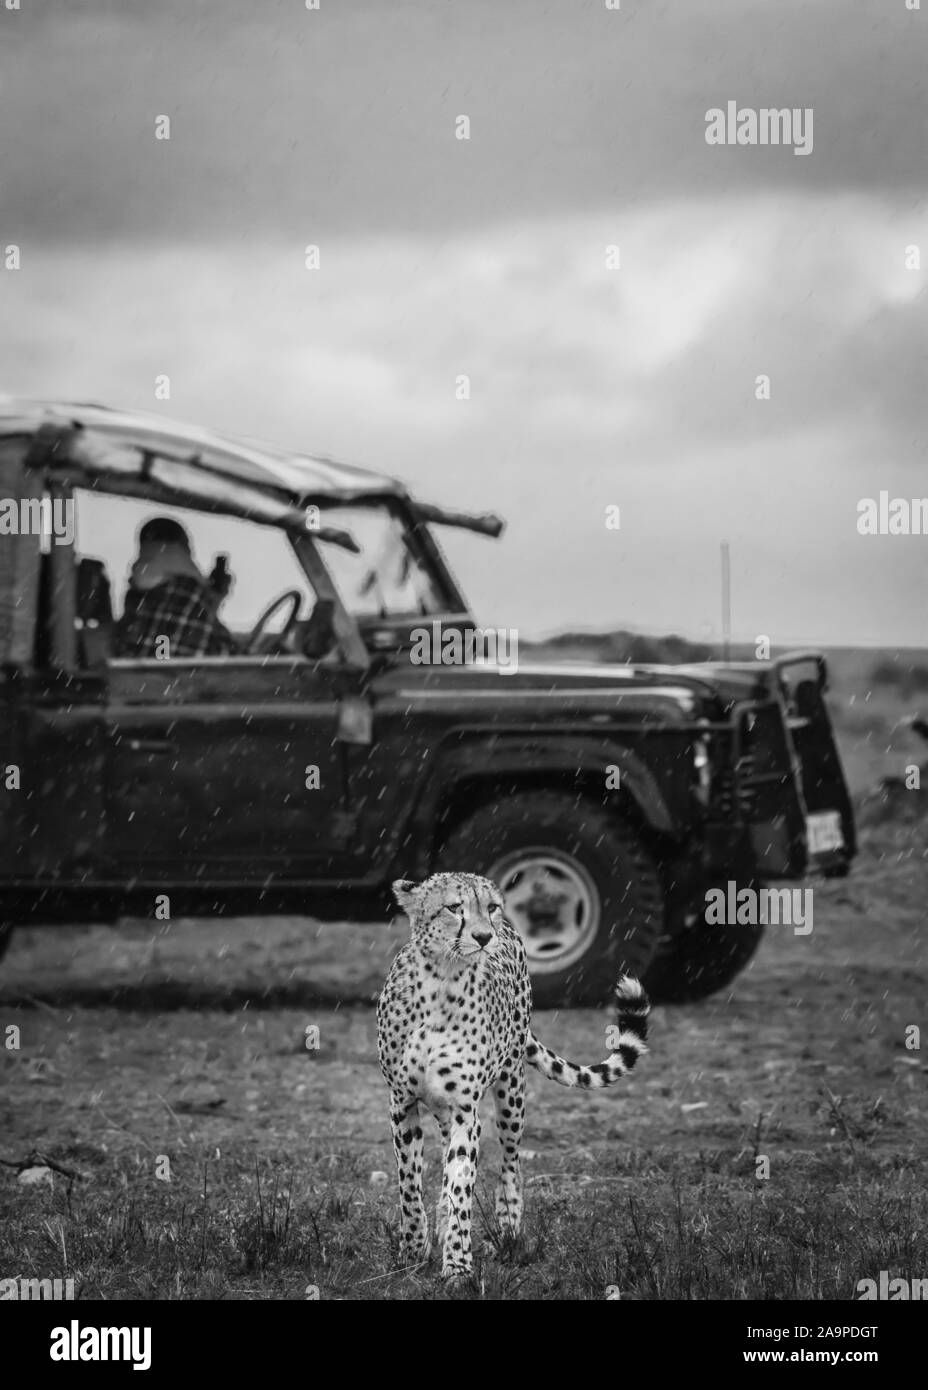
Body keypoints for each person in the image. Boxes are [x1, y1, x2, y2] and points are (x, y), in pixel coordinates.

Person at [115, 517, 236, 658]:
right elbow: (226, 653)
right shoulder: (191, 592)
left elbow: (160, 644)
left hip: (137, 675)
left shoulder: (135, 598)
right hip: (181, 676)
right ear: (184, 549)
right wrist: (213, 598)